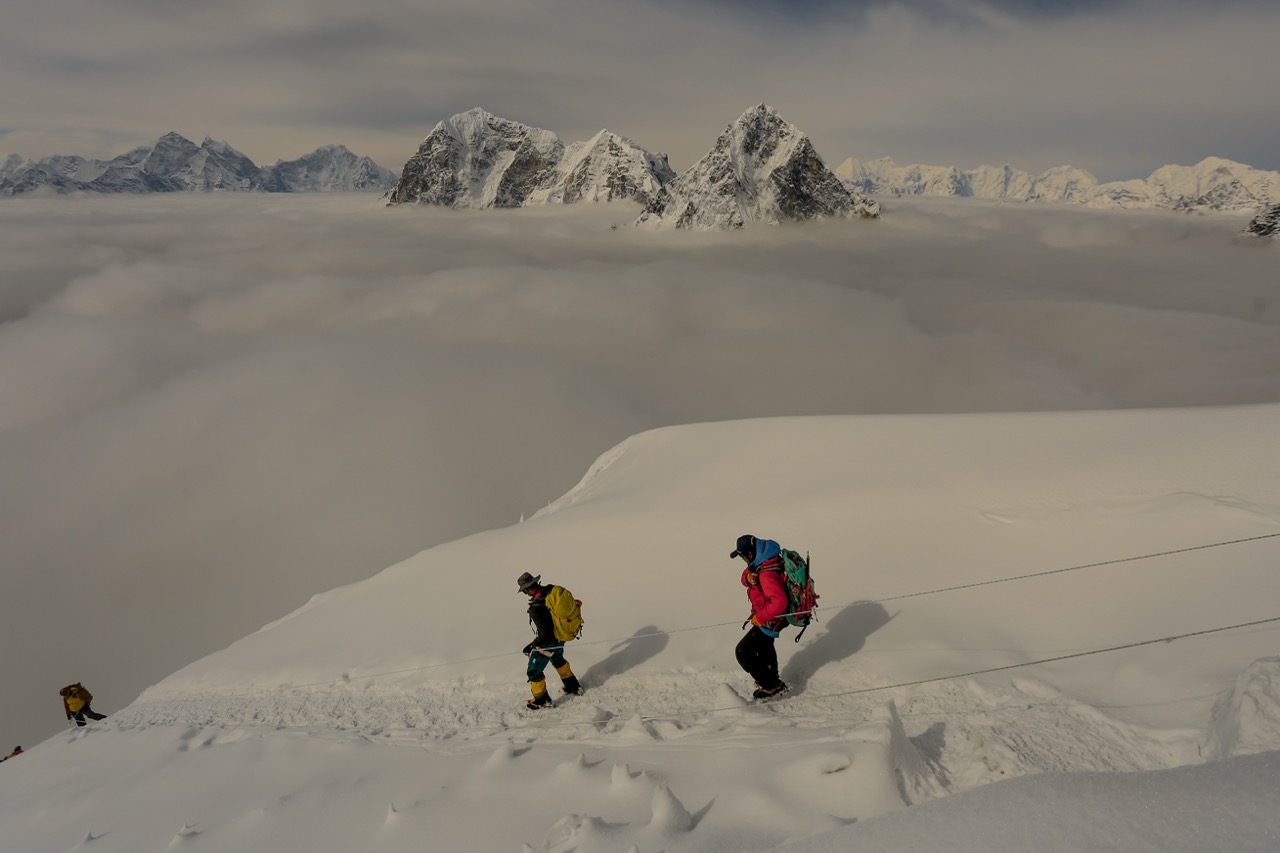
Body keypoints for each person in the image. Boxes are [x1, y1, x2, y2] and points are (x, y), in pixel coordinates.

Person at [730, 534, 791, 699]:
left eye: (742, 557)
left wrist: (760, 618)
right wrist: (748, 578)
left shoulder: (766, 573)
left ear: (749, 554)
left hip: (772, 618)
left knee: (743, 651)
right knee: (765, 647)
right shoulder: (764, 557)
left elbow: (779, 602)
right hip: (769, 616)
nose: (743, 560)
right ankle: (773, 682)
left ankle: (770, 685)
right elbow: (746, 575)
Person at [517, 571, 583, 709]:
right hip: (560, 636)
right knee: (557, 659)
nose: (525, 593)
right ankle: (573, 686)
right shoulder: (550, 590)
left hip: (548, 643)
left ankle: (542, 700)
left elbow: (545, 634)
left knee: (534, 670)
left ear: (529, 588)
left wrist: (533, 645)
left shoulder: (535, 608)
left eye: (524, 591)